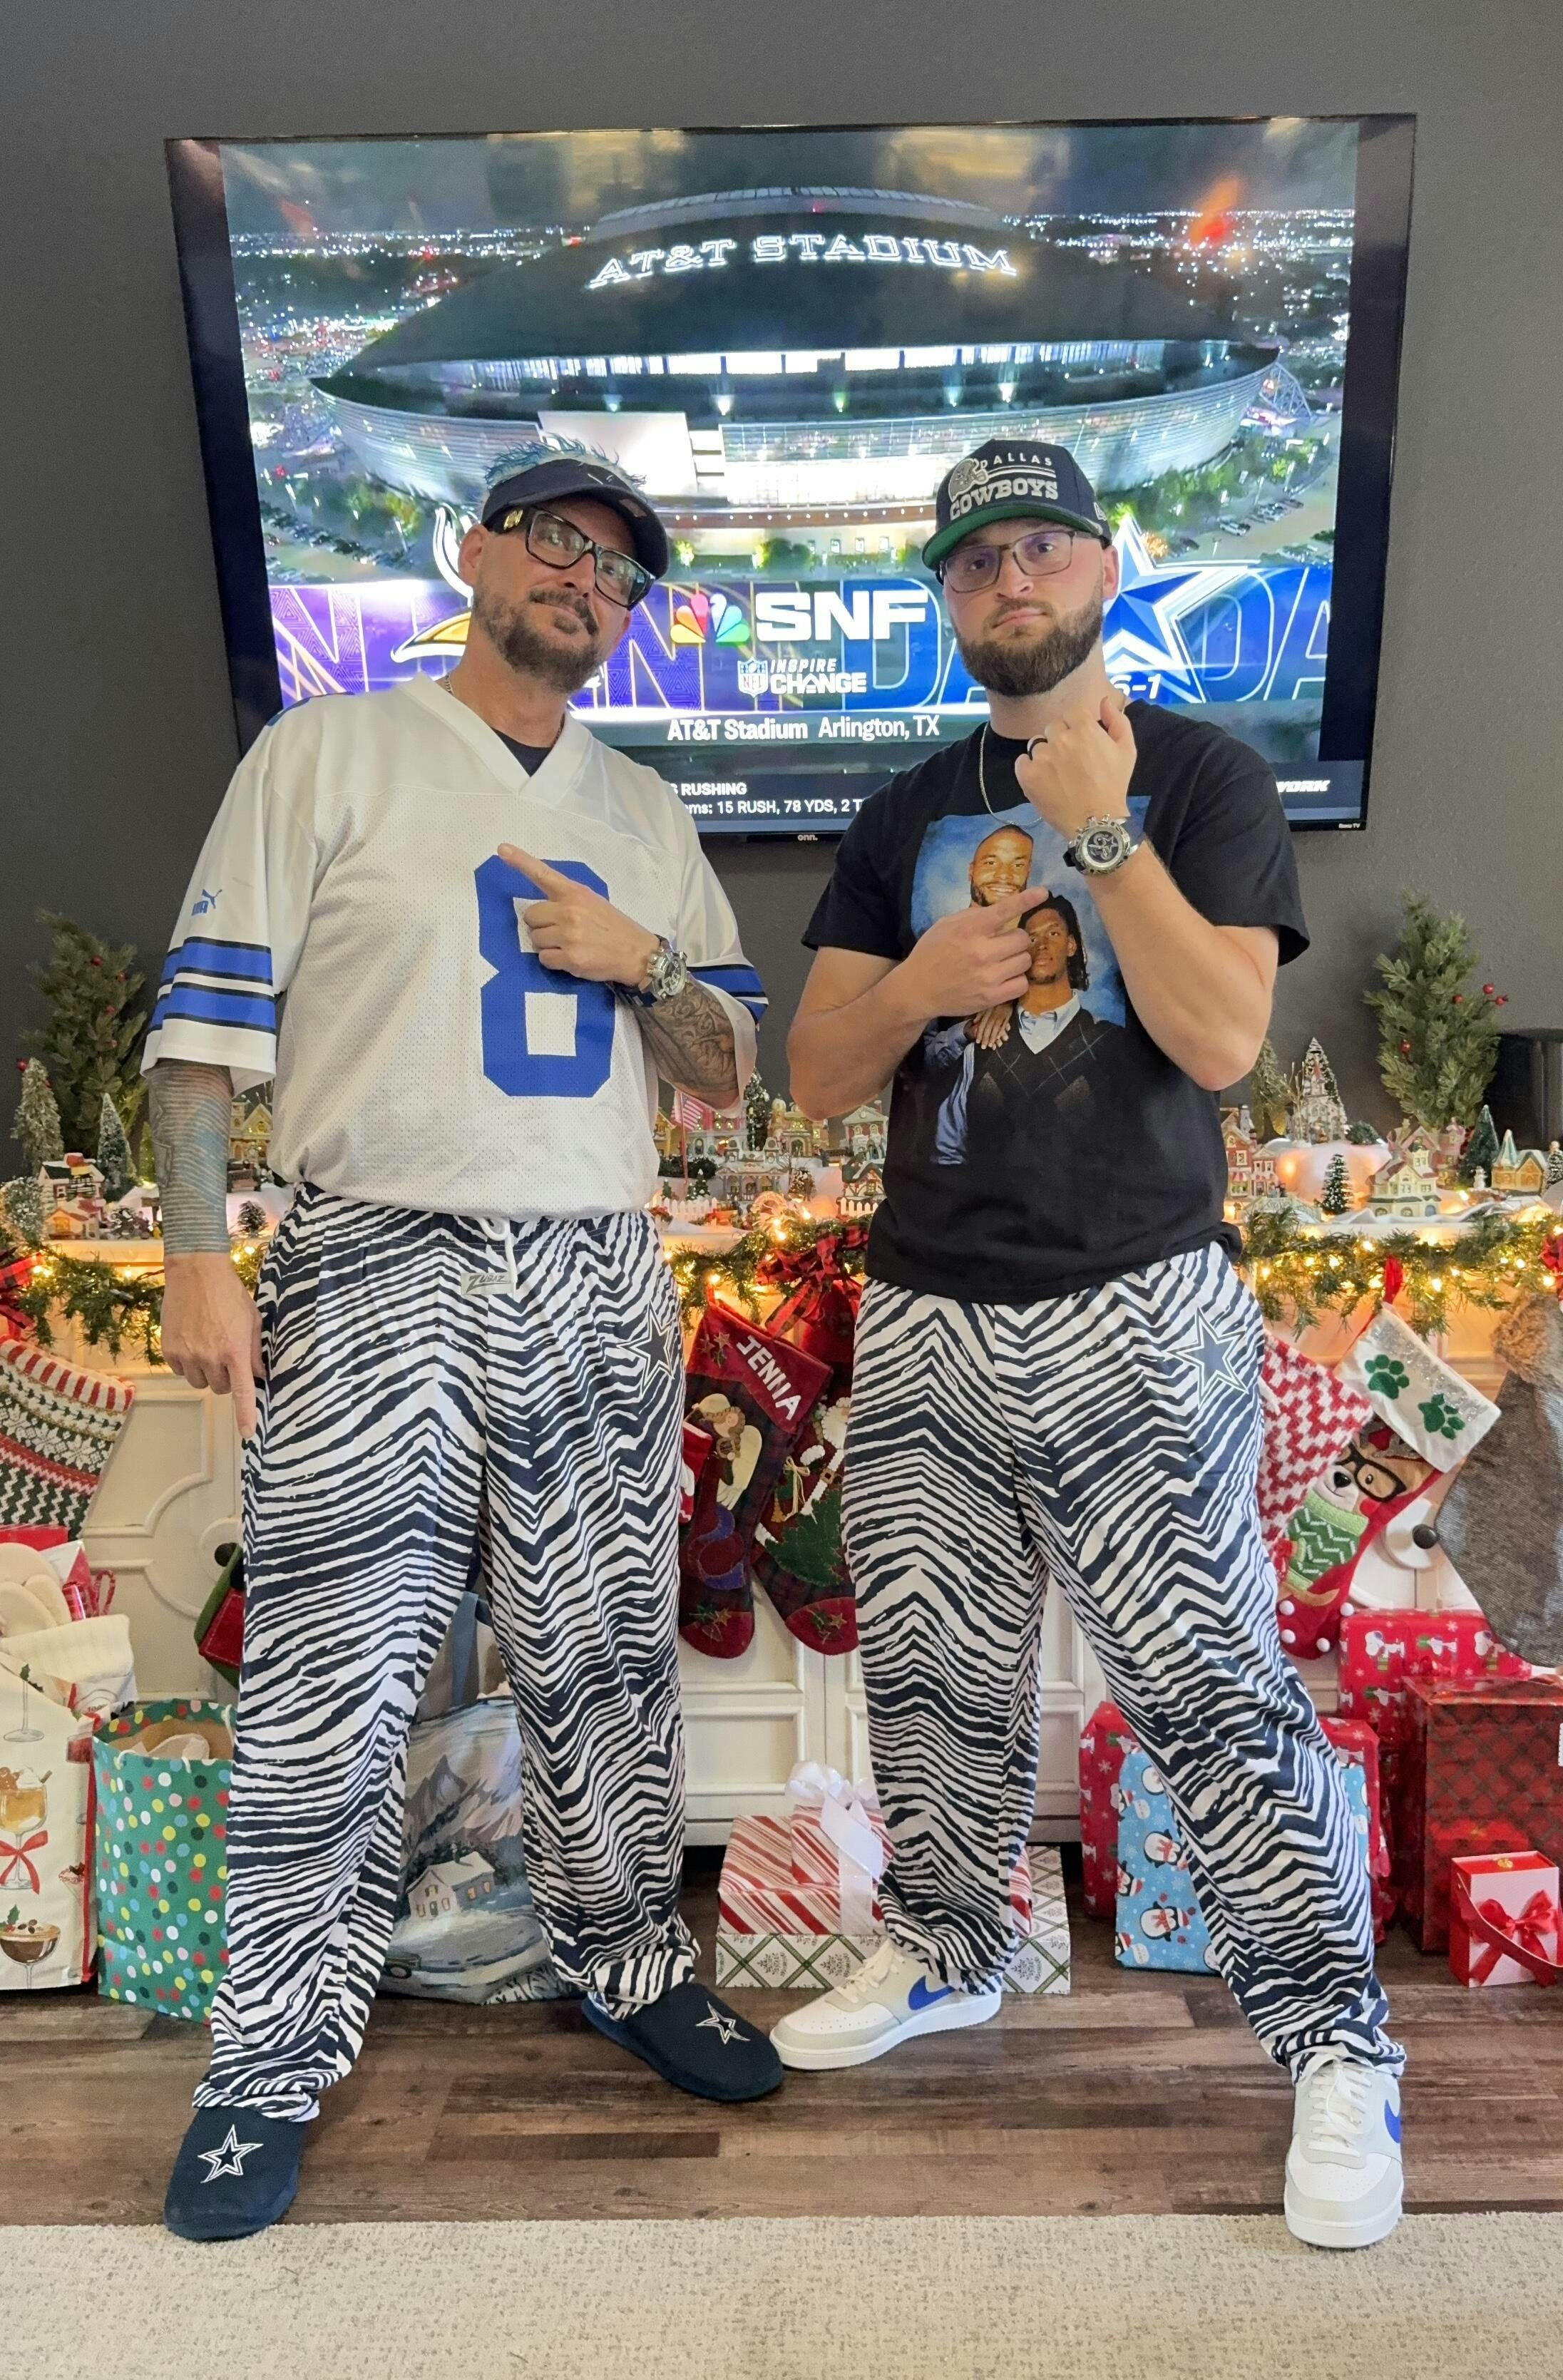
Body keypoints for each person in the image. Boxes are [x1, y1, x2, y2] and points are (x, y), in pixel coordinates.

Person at [148, 441, 782, 2244]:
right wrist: (195, 1255)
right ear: (478, 553)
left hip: (591, 1259)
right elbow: (201, 1039)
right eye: (558, 540)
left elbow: (732, 1080)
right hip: (374, 1249)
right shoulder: (323, 753)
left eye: (621, 568)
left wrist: (644, 960)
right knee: (332, 1673)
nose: (589, 579)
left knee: (606, 1655)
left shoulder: (644, 806)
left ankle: (629, 1956)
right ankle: (268, 2057)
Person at [777, 436, 1404, 2251]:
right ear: (944, 595)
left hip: (1137, 1301)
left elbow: (1220, 1041)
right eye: (976, 560)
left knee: (1212, 1694)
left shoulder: (1204, 775)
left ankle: (1339, 2045)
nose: (1010, 581)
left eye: (1041, 546)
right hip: (926, 1308)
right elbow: (818, 1072)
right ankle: (949, 1948)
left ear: (1104, 569)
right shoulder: (903, 813)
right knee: (932, 1684)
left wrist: (1108, 835)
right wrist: (923, 983)